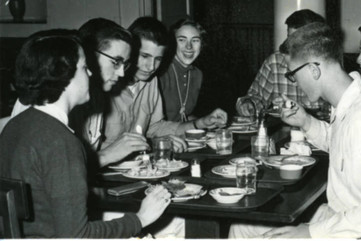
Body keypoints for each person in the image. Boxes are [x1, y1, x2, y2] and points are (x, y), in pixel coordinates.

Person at [230, 22, 361, 238]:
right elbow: (344, 144)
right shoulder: (357, 96)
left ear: (313, 70)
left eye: (292, 75)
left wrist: (311, 232)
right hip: (350, 213)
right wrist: (306, 122)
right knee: (240, 227)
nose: (295, 82)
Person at [0, 30, 171, 238]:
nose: (90, 74)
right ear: (65, 74)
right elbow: (77, 236)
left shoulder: (15, 126)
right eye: (84, 67)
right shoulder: (61, 142)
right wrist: (140, 219)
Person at [9, 18, 151, 168]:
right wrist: (107, 155)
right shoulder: (46, 99)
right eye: (116, 62)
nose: (122, 73)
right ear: (88, 56)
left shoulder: (95, 96)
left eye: (125, 64)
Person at [101, 17, 227, 155]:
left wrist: (200, 123)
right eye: (144, 56)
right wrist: (157, 143)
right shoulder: (106, 84)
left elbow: (156, 127)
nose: (151, 67)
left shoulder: (150, 81)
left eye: (158, 59)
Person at [235, 9, 330, 120]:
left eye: (298, 40)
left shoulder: (327, 63)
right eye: (289, 38)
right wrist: (249, 105)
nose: (290, 45)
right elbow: (256, 97)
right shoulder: (275, 62)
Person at [158, 18, 205, 122]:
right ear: (172, 43)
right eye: (182, 40)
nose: (189, 46)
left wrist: (207, 121)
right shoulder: (161, 72)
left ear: (201, 45)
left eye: (195, 40)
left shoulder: (197, 74)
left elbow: (183, 117)